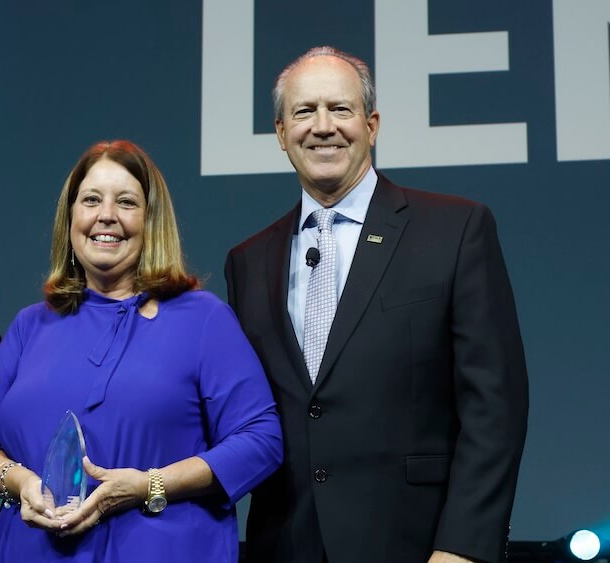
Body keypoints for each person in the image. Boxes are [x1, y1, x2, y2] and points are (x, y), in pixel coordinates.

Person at [225, 46, 529, 563]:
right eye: (304, 112)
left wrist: (463, 548)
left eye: (340, 109)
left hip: (417, 546)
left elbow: (495, 405)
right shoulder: (249, 260)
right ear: (280, 133)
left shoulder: (454, 230)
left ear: (372, 124)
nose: (323, 126)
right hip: (286, 545)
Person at [0, 140, 283, 562]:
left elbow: (261, 440)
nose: (107, 216)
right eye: (91, 200)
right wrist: (20, 481)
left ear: (151, 221)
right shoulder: (31, 325)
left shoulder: (202, 319)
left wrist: (150, 485)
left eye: (127, 202)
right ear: (71, 218)